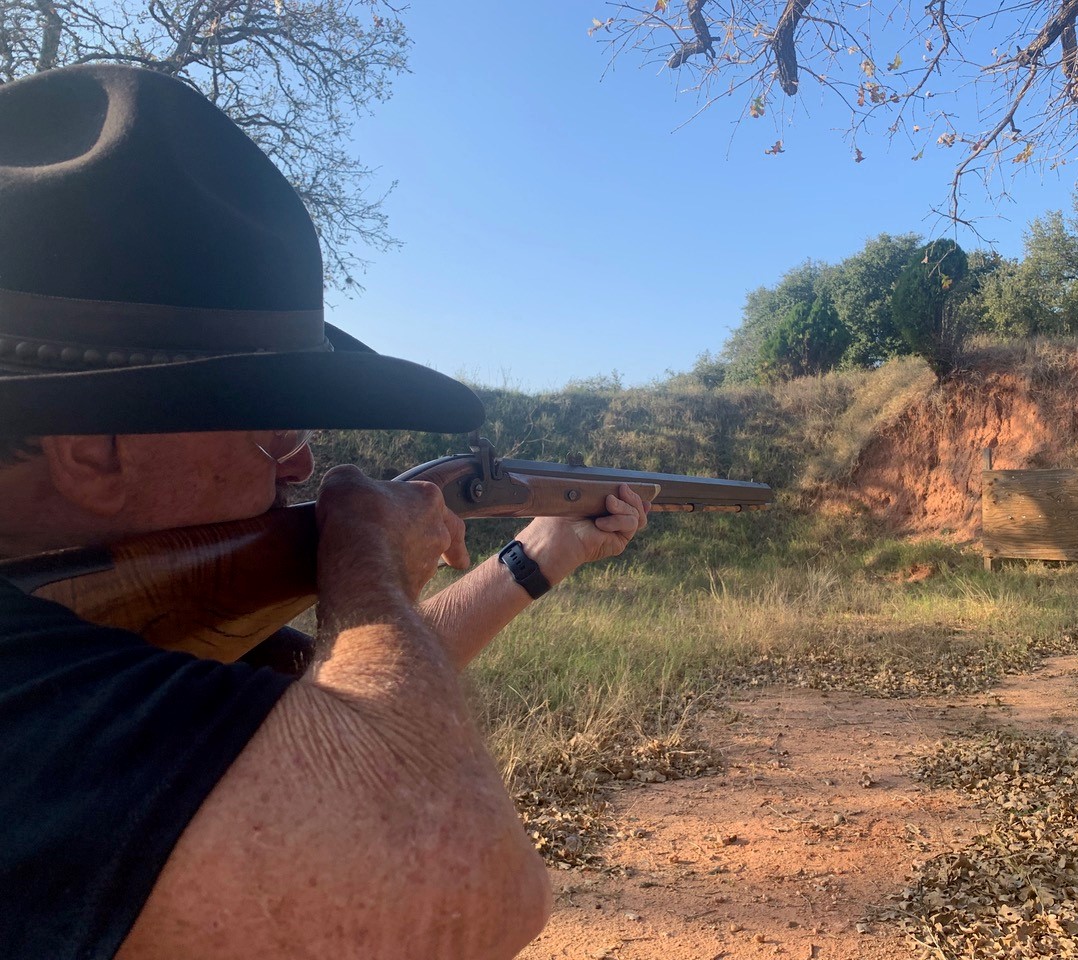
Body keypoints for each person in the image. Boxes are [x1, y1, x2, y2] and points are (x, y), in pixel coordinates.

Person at [0, 64, 649, 959]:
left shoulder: (68, 633)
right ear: (94, 449)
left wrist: (541, 555)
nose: (304, 462)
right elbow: (467, 899)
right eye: (270, 427)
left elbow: (350, 698)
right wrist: (363, 559)